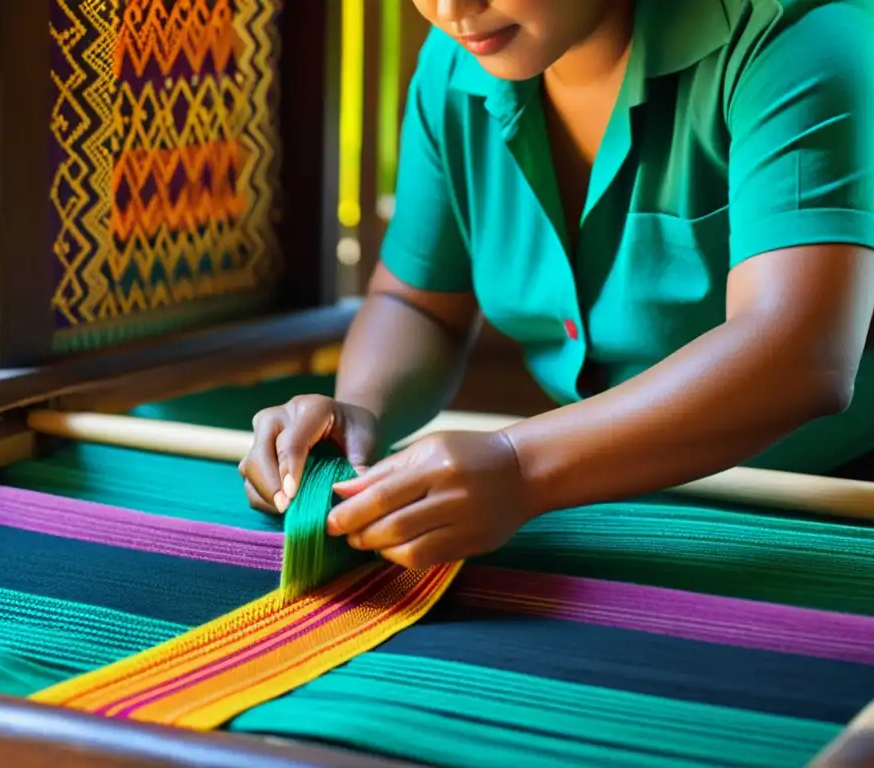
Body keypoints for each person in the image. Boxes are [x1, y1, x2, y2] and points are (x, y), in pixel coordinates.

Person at [240, 0, 874, 569]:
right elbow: (418, 303)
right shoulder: (455, 67)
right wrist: (360, 413)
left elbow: (801, 354)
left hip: (839, 516)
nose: (451, 8)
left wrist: (522, 464)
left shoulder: (796, 35)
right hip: (610, 526)